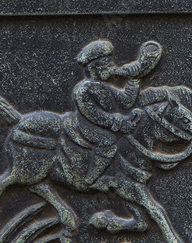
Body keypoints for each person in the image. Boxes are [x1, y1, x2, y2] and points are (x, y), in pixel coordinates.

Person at [64, 39, 162, 186]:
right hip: (88, 126)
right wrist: (119, 123)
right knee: (108, 143)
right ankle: (91, 180)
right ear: (94, 68)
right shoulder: (83, 89)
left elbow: (126, 102)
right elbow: (93, 114)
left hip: (109, 123)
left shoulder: (105, 86)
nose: (112, 67)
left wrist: (133, 80)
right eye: (107, 64)